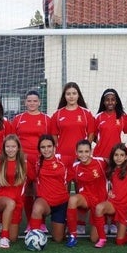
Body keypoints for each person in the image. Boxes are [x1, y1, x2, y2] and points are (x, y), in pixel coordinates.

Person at [50, 82, 96, 235]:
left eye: (74, 93)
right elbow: (53, 136)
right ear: (64, 96)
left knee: (80, 191)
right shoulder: (58, 114)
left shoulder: (86, 113)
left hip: (80, 159)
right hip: (63, 158)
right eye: (68, 93)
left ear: (78, 95)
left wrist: (84, 152)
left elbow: (90, 134)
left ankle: (80, 223)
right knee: (63, 191)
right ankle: (62, 221)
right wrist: (59, 152)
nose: (71, 96)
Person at [12, 90, 51, 229]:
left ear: (39, 102)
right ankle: (30, 221)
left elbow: (51, 141)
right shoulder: (18, 119)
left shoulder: (47, 119)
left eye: (35, 101)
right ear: (25, 102)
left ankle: (42, 223)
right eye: (29, 101)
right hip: (23, 160)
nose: (32, 103)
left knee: (41, 190)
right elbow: (13, 140)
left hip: (41, 159)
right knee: (27, 191)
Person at [0, 135, 36, 248]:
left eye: (13, 146)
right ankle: (4, 238)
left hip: (18, 202)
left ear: (18, 148)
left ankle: (4, 223)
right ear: (4, 148)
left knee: (14, 238)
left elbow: (34, 178)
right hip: (1, 198)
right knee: (10, 203)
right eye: (7, 146)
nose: (10, 149)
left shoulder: (25, 164)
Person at [65, 140, 108, 248]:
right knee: (72, 200)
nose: (83, 154)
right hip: (85, 198)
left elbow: (118, 164)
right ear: (76, 152)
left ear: (91, 151)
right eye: (80, 152)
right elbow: (67, 183)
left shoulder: (101, 162)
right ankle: (73, 236)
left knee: (94, 238)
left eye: (86, 151)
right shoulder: (75, 167)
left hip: (100, 201)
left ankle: (103, 224)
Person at [92, 143, 127, 248]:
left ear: (126, 157)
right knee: (99, 208)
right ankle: (102, 239)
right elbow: (96, 159)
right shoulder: (110, 169)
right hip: (114, 203)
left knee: (120, 241)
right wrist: (110, 192)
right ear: (112, 156)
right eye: (116, 155)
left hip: (126, 207)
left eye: (122, 155)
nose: (119, 158)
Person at [28, 134, 71, 243]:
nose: (46, 150)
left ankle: (65, 224)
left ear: (54, 147)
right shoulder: (36, 161)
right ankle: (34, 238)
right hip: (45, 201)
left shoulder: (64, 160)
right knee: (37, 207)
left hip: (61, 203)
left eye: (49, 146)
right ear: (39, 149)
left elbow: (83, 158)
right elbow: (20, 155)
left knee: (58, 239)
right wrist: (0, 156)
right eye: (43, 147)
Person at [93, 88, 126, 160]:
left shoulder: (122, 117)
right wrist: (100, 143)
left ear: (116, 101)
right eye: (107, 100)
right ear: (103, 102)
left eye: (113, 100)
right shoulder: (98, 117)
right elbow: (92, 135)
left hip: (116, 156)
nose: (110, 102)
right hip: (100, 155)